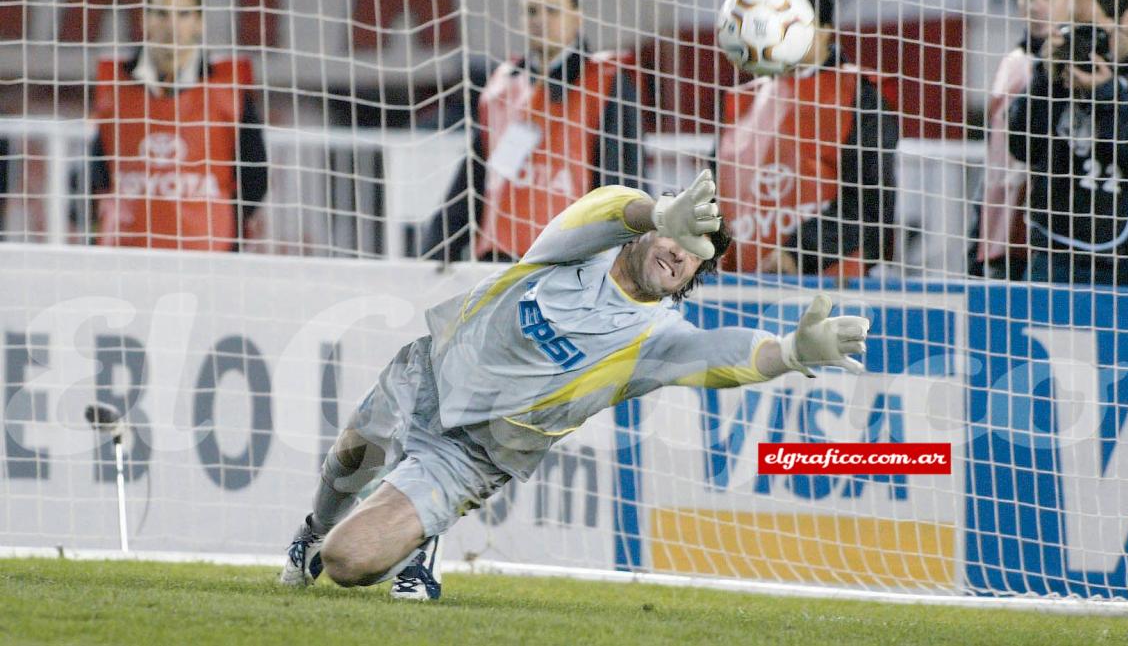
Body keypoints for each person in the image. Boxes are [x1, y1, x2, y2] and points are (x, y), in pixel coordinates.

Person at [280, 172, 870, 600]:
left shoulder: (654, 341)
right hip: (431, 372)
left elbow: (725, 353)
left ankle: (411, 533)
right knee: (351, 460)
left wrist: (792, 352)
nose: (677, 256)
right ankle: (309, 532)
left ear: (693, 278)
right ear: (650, 234)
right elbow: (609, 208)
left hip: (475, 451)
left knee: (347, 562)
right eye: (675, 239)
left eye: (693, 258)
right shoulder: (575, 249)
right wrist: (660, 212)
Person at [419, 0, 641, 262]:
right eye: (532, 11)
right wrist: (436, 249)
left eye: (552, 10)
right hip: (499, 258)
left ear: (576, 18)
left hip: (570, 260)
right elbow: (474, 175)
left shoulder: (607, 81)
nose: (540, 20)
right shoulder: (502, 84)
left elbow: (622, 179)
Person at [716, 0, 899, 280]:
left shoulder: (860, 95)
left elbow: (870, 202)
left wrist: (799, 252)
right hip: (739, 282)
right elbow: (715, 192)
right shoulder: (743, 100)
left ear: (826, 31)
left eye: (795, 26)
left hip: (828, 283)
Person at [86, 0, 268, 251]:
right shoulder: (114, 86)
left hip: (208, 252)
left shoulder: (228, 89)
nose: (172, 26)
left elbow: (255, 178)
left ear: (199, 23)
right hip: (125, 251)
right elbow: (95, 171)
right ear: (145, 20)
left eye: (183, 15)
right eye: (161, 14)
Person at [1008, 0, 1128, 286]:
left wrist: (1107, 96)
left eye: (1093, 29)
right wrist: (1044, 76)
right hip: (1052, 249)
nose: (1085, 40)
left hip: (1123, 257)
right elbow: (1023, 147)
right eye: (1077, 28)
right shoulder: (1057, 73)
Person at [971, 0, 1076, 280]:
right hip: (1004, 235)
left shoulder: (1085, 69)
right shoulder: (1011, 62)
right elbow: (995, 156)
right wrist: (979, 232)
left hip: (1056, 237)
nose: (1035, 5)